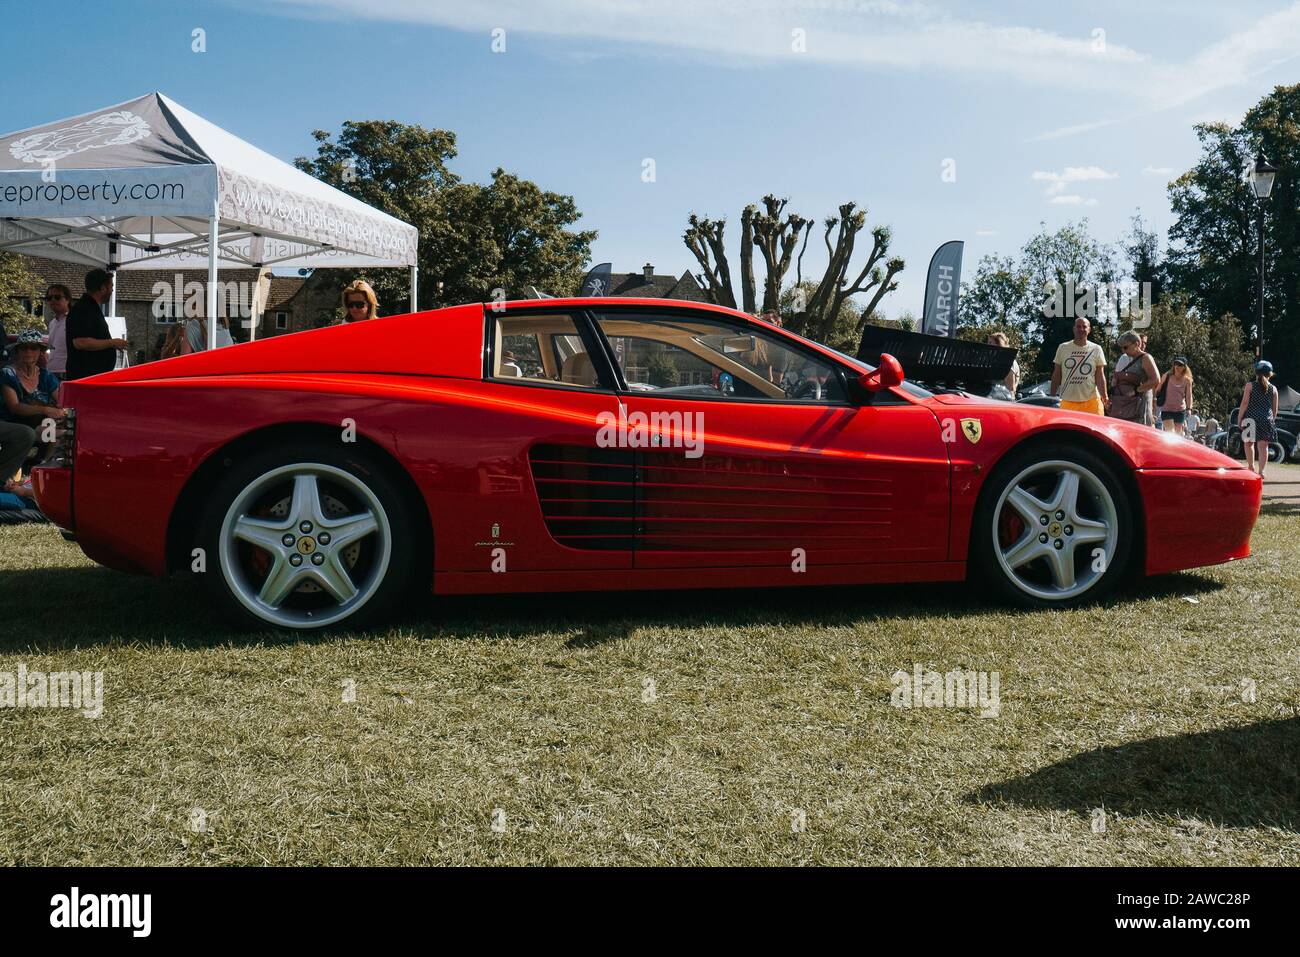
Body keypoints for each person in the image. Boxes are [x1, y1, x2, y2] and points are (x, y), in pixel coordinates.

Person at [1, 330, 65, 465]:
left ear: (40, 351)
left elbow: (63, 399)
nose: (28, 352)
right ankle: (41, 465)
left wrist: (61, 410)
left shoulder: (46, 375)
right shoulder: (8, 373)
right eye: (24, 348)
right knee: (50, 431)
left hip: (41, 425)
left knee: (63, 431)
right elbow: (15, 407)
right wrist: (45, 410)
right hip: (13, 423)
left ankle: (44, 464)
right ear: (17, 351)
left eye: (33, 348)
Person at [66, 268, 127, 381]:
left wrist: (112, 344)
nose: (112, 290)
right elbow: (80, 342)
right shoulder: (84, 309)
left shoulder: (90, 308)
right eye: (111, 287)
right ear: (102, 288)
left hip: (92, 376)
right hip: (85, 377)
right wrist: (112, 342)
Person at [1050, 317, 1108, 414]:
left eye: (1084, 327)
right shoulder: (1063, 348)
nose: (1081, 329)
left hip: (1092, 402)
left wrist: (1105, 396)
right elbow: (1057, 374)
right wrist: (1051, 396)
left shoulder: (1096, 349)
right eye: (1078, 326)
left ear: (1089, 330)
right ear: (1074, 329)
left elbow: (1100, 375)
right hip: (1067, 402)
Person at [1238, 360, 1279, 477]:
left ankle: (1251, 467)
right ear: (1270, 373)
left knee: (1249, 443)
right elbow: (1274, 408)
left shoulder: (1250, 386)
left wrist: (1240, 418)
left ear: (1256, 373)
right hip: (1266, 420)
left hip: (1250, 418)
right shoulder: (1273, 389)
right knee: (1263, 446)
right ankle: (1262, 471)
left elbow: (1245, 403)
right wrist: (1272, 420)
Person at [1107, 331, 1159, 423]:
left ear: (1137, 344)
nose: (1123, 351)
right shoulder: (1130, 358)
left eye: (1126, 347)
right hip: (1130, 405)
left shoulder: (1145, 358)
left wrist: (1136, 390)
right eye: (1122, 348)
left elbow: (1155, 380)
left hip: (1141, 406)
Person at [1156, 356, 1194, 435]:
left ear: (1184, 367)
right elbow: (1158, 389)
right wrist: (1155, 400)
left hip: (1180, 411)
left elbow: (1189, 395)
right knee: (1170, 433)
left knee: (1177, 435)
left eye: (1180, 365)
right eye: (1175, 364)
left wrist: (1189, 408)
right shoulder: (1167, 376)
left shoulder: (1187, 380)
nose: (1177, 366)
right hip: (1167, 409)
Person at [43, 284, 72, 381]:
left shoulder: (75, 320)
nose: (53, 300)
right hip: (51, 371)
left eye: (57, 297)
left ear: (67, 300)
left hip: (67, 372)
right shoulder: (52, 322)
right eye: (49, 298)